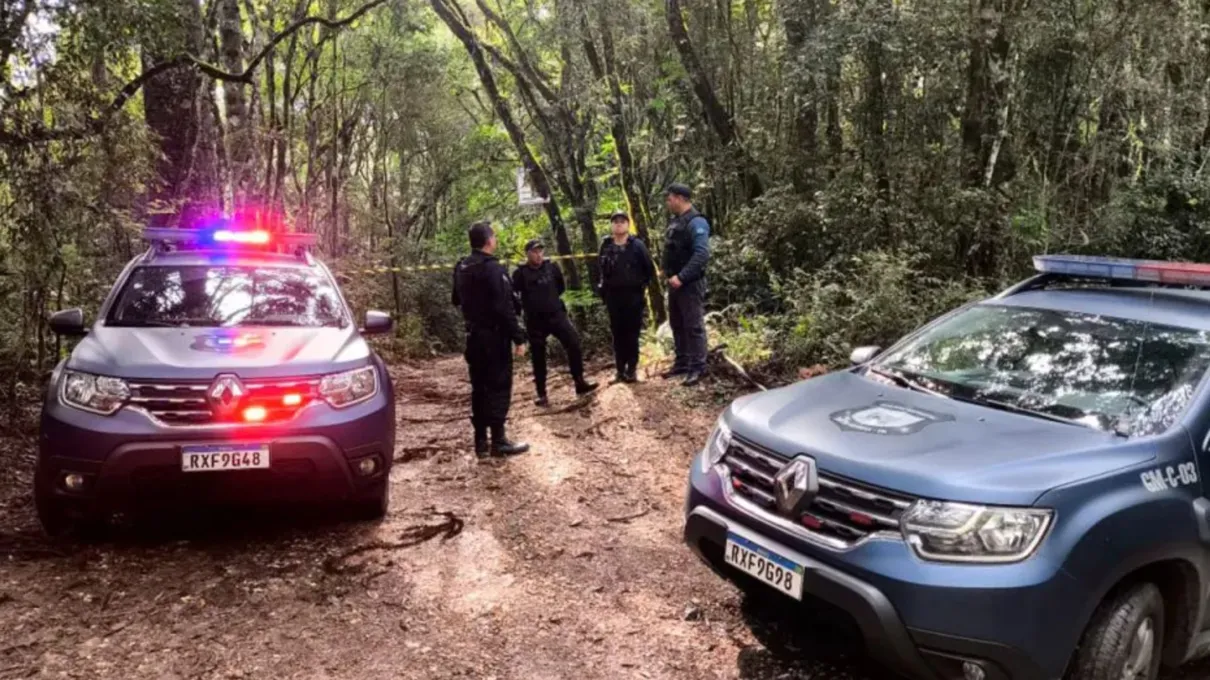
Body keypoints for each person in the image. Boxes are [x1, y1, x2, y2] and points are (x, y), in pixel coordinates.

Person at [452, 221, 530, 458]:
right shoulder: (493, 268)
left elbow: (456, 299)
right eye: (494, 236)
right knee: (498, 385)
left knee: (479, 387)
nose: (495, 239)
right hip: (494, 337)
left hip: (473, 336)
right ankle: (498, 440)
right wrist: (518, 337)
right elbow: (503, 307)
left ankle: (480, 444)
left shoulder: (461, 266)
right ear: (488, 241)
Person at [512, 239, 598, 407]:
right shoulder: (520, 273)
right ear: (527, 254)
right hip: (535, 321)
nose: (538, 254)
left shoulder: (552, 267)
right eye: (534, 251)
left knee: (573, 342)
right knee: (538, 356)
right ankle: (542, 394)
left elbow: (560, 287)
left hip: (556, 315)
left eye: (540, 251)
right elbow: (514, 295)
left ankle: (580, 382)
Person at [661, 183, 710, 386]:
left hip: (689, 283)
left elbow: (701, 254)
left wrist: (682, 277)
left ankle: (698, 367)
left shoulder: (696, 222)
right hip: (675, 284)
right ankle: (682, 362)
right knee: (677, 324)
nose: (668, 202)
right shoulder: (676, 222)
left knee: (693, 325)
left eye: (670, 198)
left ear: (680, 198)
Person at [597, 210, 654, 383]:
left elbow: (649, 269)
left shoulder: (637, 245)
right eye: (615, 221)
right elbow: (600, 269)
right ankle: (619, 370)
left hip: (633, 296)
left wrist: (640, 286)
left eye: (622, 221)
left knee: (632, 334)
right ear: (611, 225)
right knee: (617, 334)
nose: (619, 224)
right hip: (613, 296)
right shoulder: (606, 245)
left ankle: (632, 370)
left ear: (628, 224)